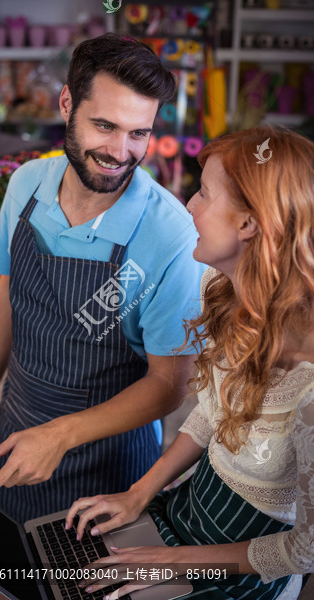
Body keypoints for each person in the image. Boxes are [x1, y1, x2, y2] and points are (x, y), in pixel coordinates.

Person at [65, 126, 314, 600]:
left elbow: (306, 551)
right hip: (188, 513)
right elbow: (213, 412)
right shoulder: (227, 298)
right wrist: (141, 492)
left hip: (241, 572)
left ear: (249, 225)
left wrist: (175, 561)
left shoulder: (309, 391)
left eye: (203, 192)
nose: (188, 205)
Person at [0, 33, 205, 526]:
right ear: (66, 104)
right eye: (104, 125)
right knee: (1, 579)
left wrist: (61, 435)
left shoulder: (172, 232)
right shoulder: (25, 185)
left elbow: (169, 385)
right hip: (18, 418)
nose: (121, 152)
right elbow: (9, 292)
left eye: (138, 133)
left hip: (110, 459)